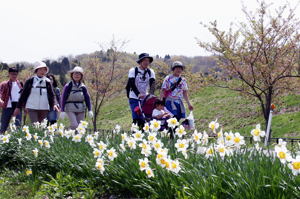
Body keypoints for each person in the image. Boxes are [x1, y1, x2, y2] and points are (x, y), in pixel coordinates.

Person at [125, 53, 156, 128]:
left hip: (145, 98)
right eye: (144, 60)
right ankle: (133, 136)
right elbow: (131, 83)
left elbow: (152, 84)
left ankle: (141, 135)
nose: (146, 62)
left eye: (148, 61)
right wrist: (138, 93)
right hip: (134, 97)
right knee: (136, 118)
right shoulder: (133, 70)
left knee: (144, 119)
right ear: (140, 61)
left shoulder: (150, 72)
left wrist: (151, 95)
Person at [0, 67, 23, 133]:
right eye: (12, 74)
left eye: (16, 74)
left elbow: (23, 96)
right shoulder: (4, 84)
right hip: (8, 106)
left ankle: (16, 141)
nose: (14, 76)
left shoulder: (20, 84)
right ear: (9, 74)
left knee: (17, 126)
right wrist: (0, 100)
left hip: (17, 107)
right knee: (4, 125)